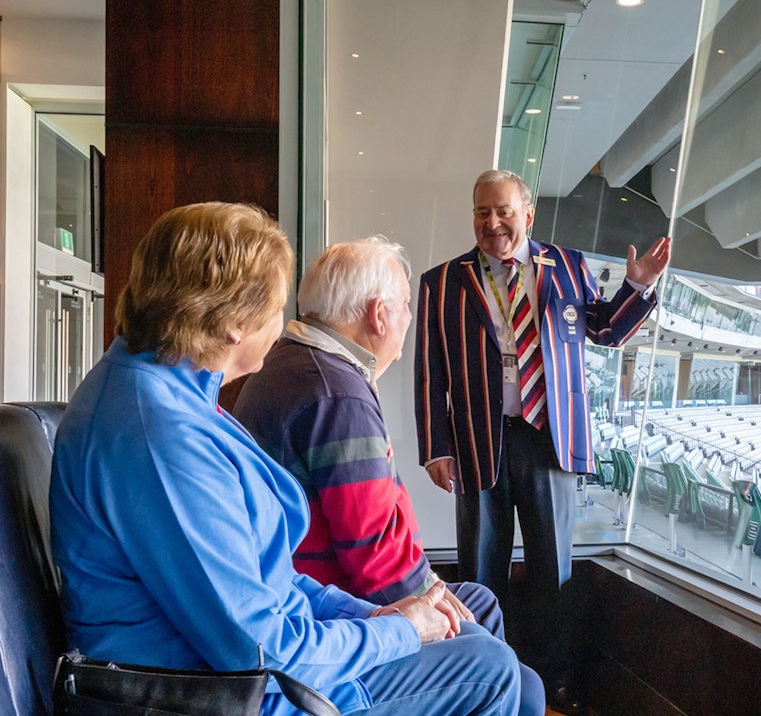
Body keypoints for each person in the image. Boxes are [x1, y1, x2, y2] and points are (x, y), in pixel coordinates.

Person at [50, 202, 522, 716]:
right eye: (277, 309)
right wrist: (400, 629)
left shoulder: (165, 391)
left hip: (247, 663)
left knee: (477, 638)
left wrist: (378, 616)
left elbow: (270, 579)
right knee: (491, 667)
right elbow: (261, 653)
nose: (283, 325)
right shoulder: (160, 434)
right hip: (229, 694)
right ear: (234, 323)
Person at [234, 236, 543, 715]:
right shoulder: (338, 394)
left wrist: (433, 592)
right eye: (404, 307)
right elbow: (371, 549)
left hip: (322, 591)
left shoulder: (295, 364)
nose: (407, 321)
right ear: (378, 315)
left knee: (480, 601)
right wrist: (427, 599)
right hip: (334, 608)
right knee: (513, 677)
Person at [415, 170, 671, 713]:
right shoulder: (444, 281)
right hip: (477, 440)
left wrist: (638, 287)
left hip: (549, 439)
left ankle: (551, 680)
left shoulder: (569, 266)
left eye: (503, 211)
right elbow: (429, 370)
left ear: (527, 215)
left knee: (552, 567)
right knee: (479, 565)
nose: (493, 223)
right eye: (483, 212)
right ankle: (482, 675)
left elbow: (604, 331)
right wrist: (436, 447)